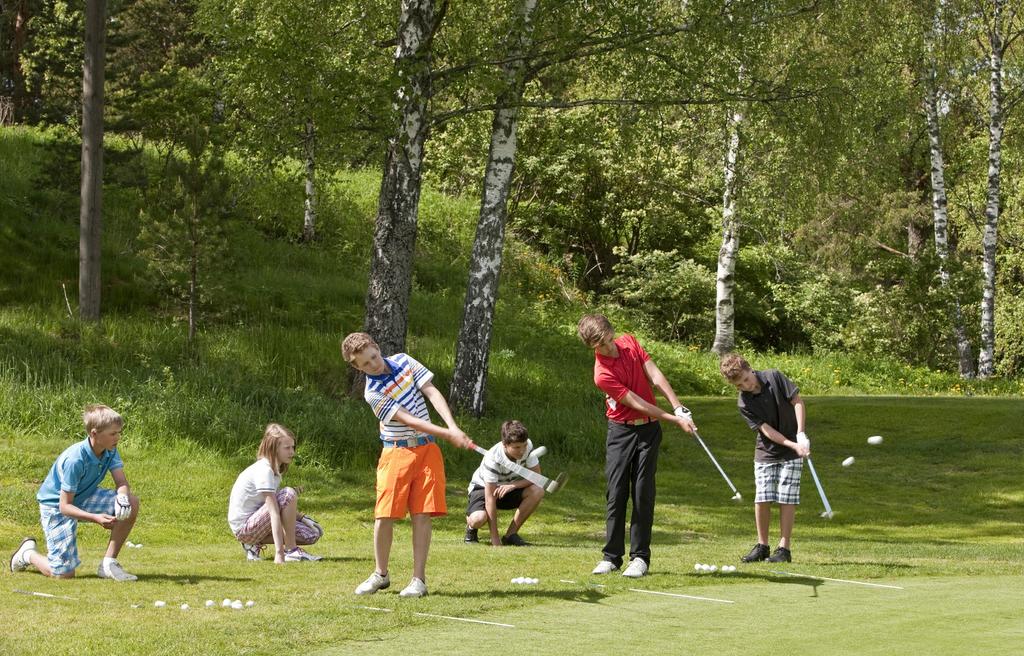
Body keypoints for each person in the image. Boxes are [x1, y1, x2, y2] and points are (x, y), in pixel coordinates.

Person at [341, 331, 474, 598]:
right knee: (385, 514)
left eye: (373, 357)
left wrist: (452, 426)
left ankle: (418, 580)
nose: (373, 365)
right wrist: (447, 434)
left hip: (427, 451)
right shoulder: (373, 392)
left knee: (422, 514)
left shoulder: (404, 361)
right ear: (357, 367)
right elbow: (408, 420)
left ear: (377, 348)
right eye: (365, 364)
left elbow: (432, 392)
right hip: (396, 452)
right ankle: (381, 574)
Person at [577, 314, 696, 578]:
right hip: (620, 431)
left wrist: (679, 406)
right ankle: (611, 557)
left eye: (607, 342)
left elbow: (654, 374)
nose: (606, 349)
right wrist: (674, 419)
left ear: (612, 332)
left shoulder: (630, 342)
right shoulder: (602, 374)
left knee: (643, 491)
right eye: (599, 347)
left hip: (648, 432)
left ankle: (640, 558)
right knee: (616, 491)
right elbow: (636, 403)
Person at [9, 404, 140, 581]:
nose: (118, 437)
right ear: (94, 434)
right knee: (63, 574)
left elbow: (121, 482)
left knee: (131, 502)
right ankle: (27, 554)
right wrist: (96, 518)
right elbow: (65, 506)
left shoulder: (110, 450)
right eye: (113, 433)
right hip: (56, 505)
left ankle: (108, 564)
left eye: (119, 432)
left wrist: (122, 497)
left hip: (84, 497)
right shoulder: (75, 460)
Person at [719, 353, 810, 564]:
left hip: (793, 448)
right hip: (767, 451)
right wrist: (792, 444)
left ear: (751, 369)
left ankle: (784, 549)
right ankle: (762, 546)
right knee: (762, 496)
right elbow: (766, 431)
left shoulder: (774, 377)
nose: (746, 386)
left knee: (787, 497)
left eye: (746, 379)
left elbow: (797, 401)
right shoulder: (744, 402)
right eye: (740, 385)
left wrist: (801, 434)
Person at [228, 423, 323, 563]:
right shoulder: (264, 470)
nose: (292, 452)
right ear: (274, 449)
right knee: (289, 493)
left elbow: (280, 508)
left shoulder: (275, 472)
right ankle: (291, 551)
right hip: (245, 529)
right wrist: (279, 554)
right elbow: (273, 512)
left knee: (311, 534)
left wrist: (302, 518)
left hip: (258, 523)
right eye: (287, 448)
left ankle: (253, 545)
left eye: (293, 447)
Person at [464, 420, 545, 547]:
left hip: (507, 487)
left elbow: (536, 477)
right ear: (505, 444)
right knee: (478, 519)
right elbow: (490, 499)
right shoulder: (492, 458)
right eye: (517, 447)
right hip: (483, 488)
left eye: (523, 445)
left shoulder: (528, 446)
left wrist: (513, 486)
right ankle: (471, 527)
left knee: (538, 490)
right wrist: (495, 540)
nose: (522, 451)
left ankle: (510, 535)